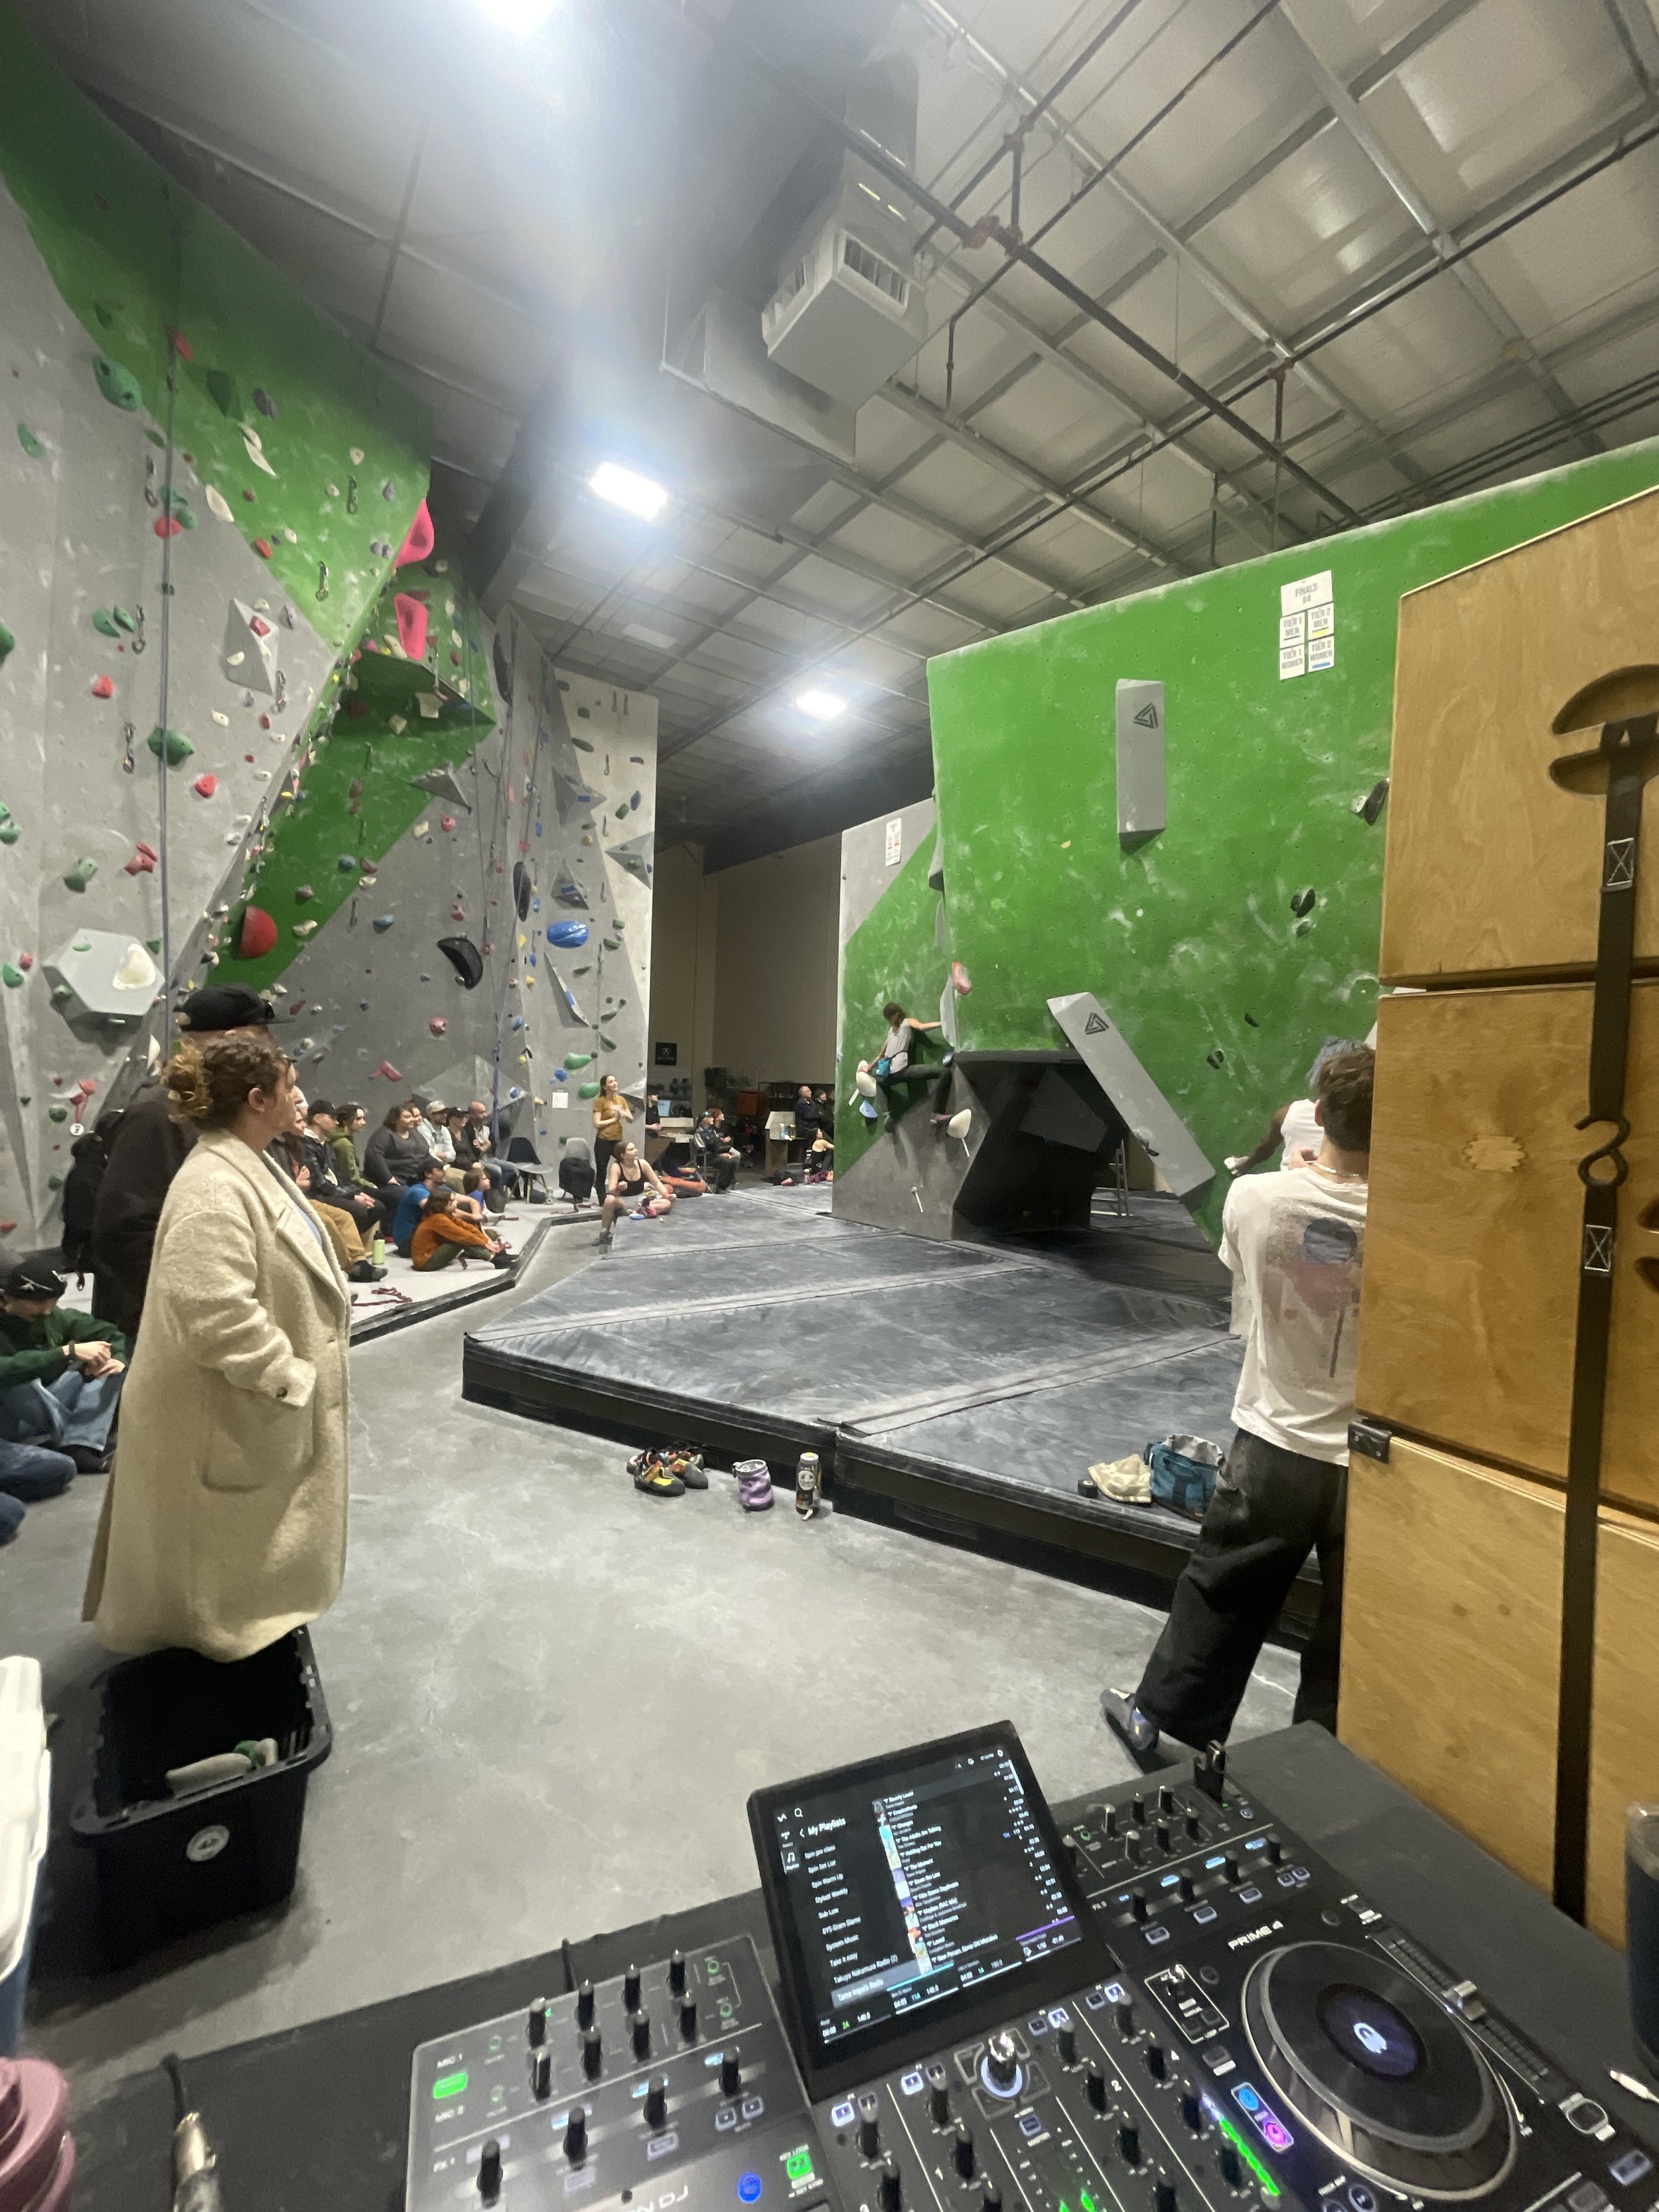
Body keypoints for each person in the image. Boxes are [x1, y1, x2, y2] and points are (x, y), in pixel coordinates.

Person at [1101, 1047, 1374, 1757]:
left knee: (1221, 1590)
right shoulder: (1420, 1220)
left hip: (1275, 1443)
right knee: (1354, 1627)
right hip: (1374, 1458)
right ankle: (1323, 1759)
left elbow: (1242, 1270)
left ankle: (1165, 1722)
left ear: (1321, 1118)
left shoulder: (1257, 1198)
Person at [82, 1032, 352, 1661]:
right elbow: (212, 1309)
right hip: (229, 1410)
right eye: (289, 1087)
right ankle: (207, 1649)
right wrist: (286, 1375)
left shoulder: (248, 1164)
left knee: (235, 1559)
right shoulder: (213, 1185)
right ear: (258, 1100)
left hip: (245, 1410)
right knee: (209, 1571)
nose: (300, 1097)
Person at [91, 982, 283, 1339]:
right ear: (231, 1039)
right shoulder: (159, 1113)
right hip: (164, 1328)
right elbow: (126, 1230)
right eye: (262, 1034)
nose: (271, 1045)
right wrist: (199, 1309)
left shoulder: (217, 1111)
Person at [0, 1253, 127, 1475]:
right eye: (39, 1303)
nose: (47, 1310)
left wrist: (116, 1358)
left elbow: (110, 1333)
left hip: (49, 1404)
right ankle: (78, 1435)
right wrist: (65, 1352)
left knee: (107, 1365)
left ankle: (79, 1444)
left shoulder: (54, 1317)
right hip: (13, 1417)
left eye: (53, 1303)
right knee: (18, 1381)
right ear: (10, 1298)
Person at [1224, 1039, 1364, 1177]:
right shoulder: (1369, 1127)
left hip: (1290, 1183)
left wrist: (1248, 1164)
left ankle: (1243, 1166)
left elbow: (1266, 1148)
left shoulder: (1291, 1114)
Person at [411, 1187, 512, 1272]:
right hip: (425, 1262)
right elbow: (463, 1235)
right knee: (462, 1239)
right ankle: (494, 1260)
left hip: (432, 1254)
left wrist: (488, 1243)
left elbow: (468, 1228)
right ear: (443, 1205)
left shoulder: (445, 1215)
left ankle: (495, 1254)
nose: (456, 1203)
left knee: (467, 1235)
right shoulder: (438, 1219)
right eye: (453, 1201)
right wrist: (486, 1245)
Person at [597, 1140, 672, 1246]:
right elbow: (611, 1192)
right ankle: (604, 1233)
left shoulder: (643, 1164)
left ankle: (638, 1211)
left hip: (640, 1200)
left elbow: (656, 1182)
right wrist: (619, 1187)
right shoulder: (616, 1167)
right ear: (623, 1155)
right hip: (624, 1201)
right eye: (631, 1149)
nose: (636, 1151)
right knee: (609, 1200)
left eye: (635, 1148)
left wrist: (667, 1196)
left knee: (666, 1203)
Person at [363, 1101, 432, 1197]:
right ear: (394, 1120)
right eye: (407, 1117)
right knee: (415, 1196)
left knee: (445, 1194)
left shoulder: (416, 1134)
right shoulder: (384, 1134)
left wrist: (437, 1170)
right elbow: (374, 1156)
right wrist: (388, 1178)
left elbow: (426, 1156)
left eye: (412, 1116)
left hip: (416, 1179)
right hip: (392, 1182)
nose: (412, 1119)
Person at [391, 1162, 449, 1256]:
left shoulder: (441, 1188)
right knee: (443, 1220)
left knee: (462, 1208)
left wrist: (473, 1208)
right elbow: (434, 1208)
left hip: (420, 1236)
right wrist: (470, 1216)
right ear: (428, 1174)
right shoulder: (417, 1191)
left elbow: (468, 1200)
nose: (444, 1172)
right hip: (407, 1243)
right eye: (440, 1170)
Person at [591, 1074, 633, 1189]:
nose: (615, 1083)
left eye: (615, 1081)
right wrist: (614, 1119)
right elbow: (596, 1123)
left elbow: (631, 1119)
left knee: (625, 1165)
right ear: (605, 1087)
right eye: (611, 1082)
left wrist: (623, 1113)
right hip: (603, 1140)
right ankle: (602, 1200)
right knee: (602, 1171)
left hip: (617, 1140)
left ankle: (622, 1192)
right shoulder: (601, 1101)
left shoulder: (621, 1100)